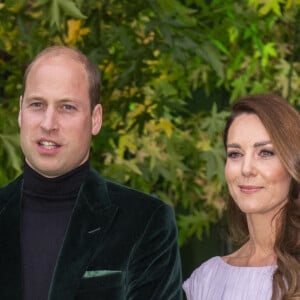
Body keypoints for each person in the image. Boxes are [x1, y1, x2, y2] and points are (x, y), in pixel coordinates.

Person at [0, 45, 183, 300]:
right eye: (37, 104)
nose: (48, 123)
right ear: (21, 112)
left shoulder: (146, 222)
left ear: (95, 119)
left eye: (67, 107)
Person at [183, 94, 300, 299]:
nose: (246, 169)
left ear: (293, 164)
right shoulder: (207, 279)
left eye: (265, 153)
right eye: (235, 154)